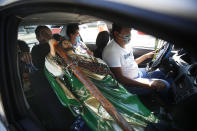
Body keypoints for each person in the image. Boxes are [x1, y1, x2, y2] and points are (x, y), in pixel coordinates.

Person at [102, 23, 171, 100]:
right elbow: (120, 78)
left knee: (162, 74)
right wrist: (148, 84)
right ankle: (165, 107)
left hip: (138, 73)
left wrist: (146, 56)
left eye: (130, 30)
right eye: (127, 31)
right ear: (116, 33)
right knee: (165, 85)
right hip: (129, 85)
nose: (130, 34)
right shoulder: (112, 51)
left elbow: (131, 63)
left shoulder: (126, 44)